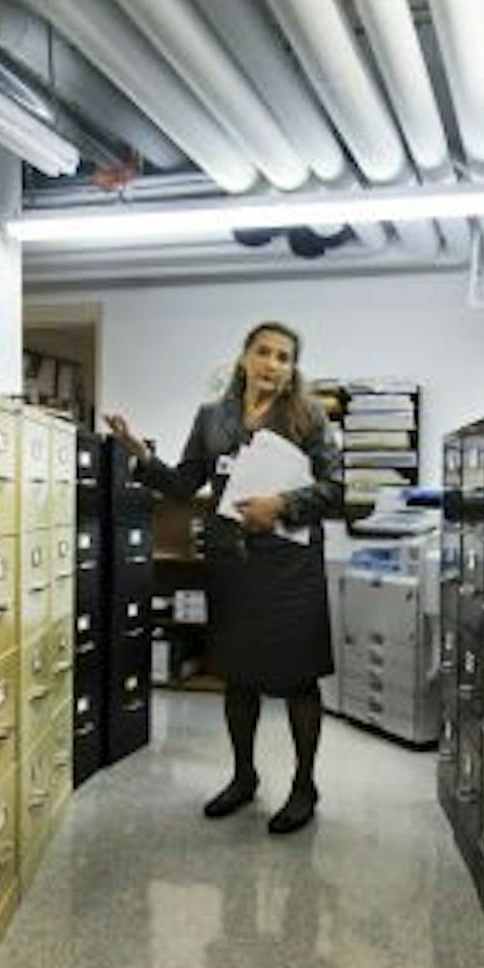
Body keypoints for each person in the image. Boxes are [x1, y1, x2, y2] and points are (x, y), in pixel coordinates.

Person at [106, 322, 342, 834]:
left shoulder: (308, 416)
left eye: (283, 357)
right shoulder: (213, 418)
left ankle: (304, 785)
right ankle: (243, 776)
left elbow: (334, 489)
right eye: (264, 352)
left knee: (298, 679)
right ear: (244, 358)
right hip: (232, 562)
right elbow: (183, 484)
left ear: (292, 369)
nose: (272, 364)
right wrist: (140, 455)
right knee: (238, 674)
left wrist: (281, 503)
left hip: (290, 564)